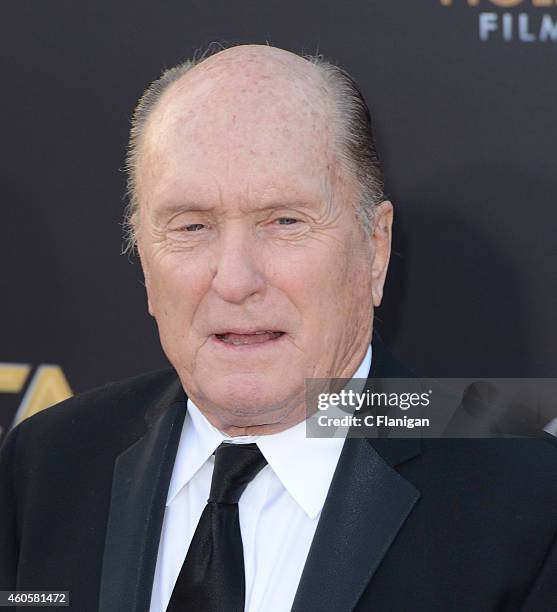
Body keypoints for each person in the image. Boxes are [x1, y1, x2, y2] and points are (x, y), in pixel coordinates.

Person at [1, 44, 557, 612]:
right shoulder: (46, 465)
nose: (235, 280)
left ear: (375, 250)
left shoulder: (530, 502)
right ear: (145, 260)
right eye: (191, 226)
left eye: (284, 221)